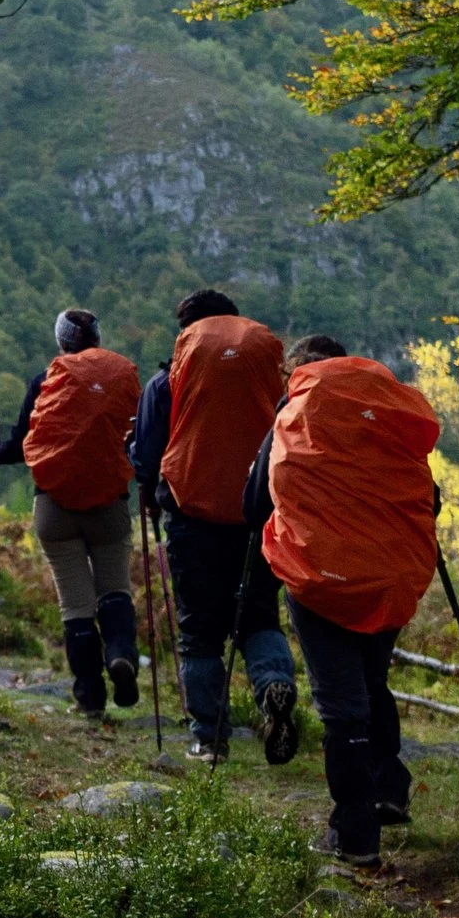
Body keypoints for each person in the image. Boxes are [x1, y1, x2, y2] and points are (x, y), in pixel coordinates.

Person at [244, 334, 444, 867]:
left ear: (298, 373)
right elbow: (432, 499)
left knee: (341, 708)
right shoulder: (382, 410)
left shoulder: (293, 413)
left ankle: (354, 836)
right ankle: (388, 789)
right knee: (371, 682)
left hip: (320, 577)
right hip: (390, 574)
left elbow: (252, 503)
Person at [130, 289, 298, 764]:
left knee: (199, 631)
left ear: (186, 334)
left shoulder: (165, 384)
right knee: (259, 616)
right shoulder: (266, 375)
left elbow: (148, 454)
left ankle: (209, 736)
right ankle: (273, 687)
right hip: (258, 515)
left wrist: (145, 481)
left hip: (193, 518)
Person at [0, 308, 143, 717]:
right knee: (115, 589)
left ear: (61, 342)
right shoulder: (123, 378)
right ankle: (120, 653)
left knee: (76, 605)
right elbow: (139, 437)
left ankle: (90, 700)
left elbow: (19, 447)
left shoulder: (45, 382)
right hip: (110, 504)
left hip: (54, 508)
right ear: (98, 341)